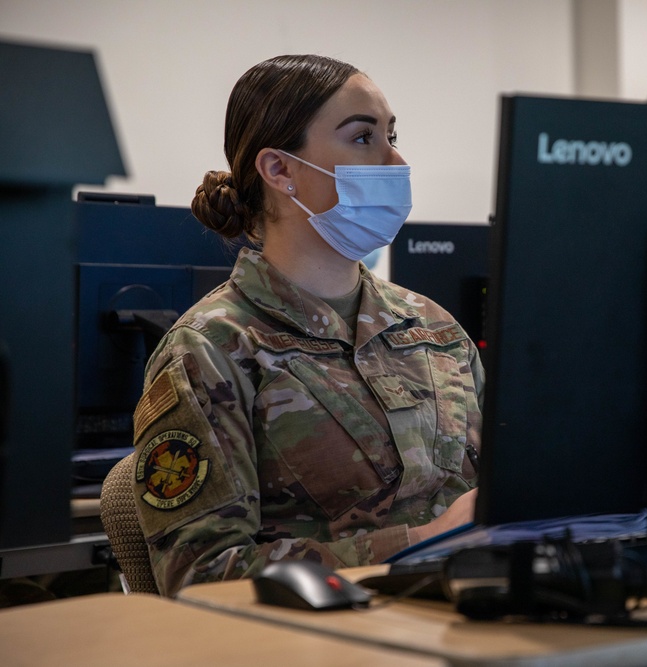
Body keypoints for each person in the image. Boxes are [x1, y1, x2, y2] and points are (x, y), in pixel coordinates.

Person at [130, 54, 482, 597]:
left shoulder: (435, 329)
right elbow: (198, 577)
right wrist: (424, 541)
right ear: (280, 171)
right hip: (319, 641)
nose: (396, 161)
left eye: (391, 134)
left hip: (464, 619)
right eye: (364, 137)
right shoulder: (210, 349)